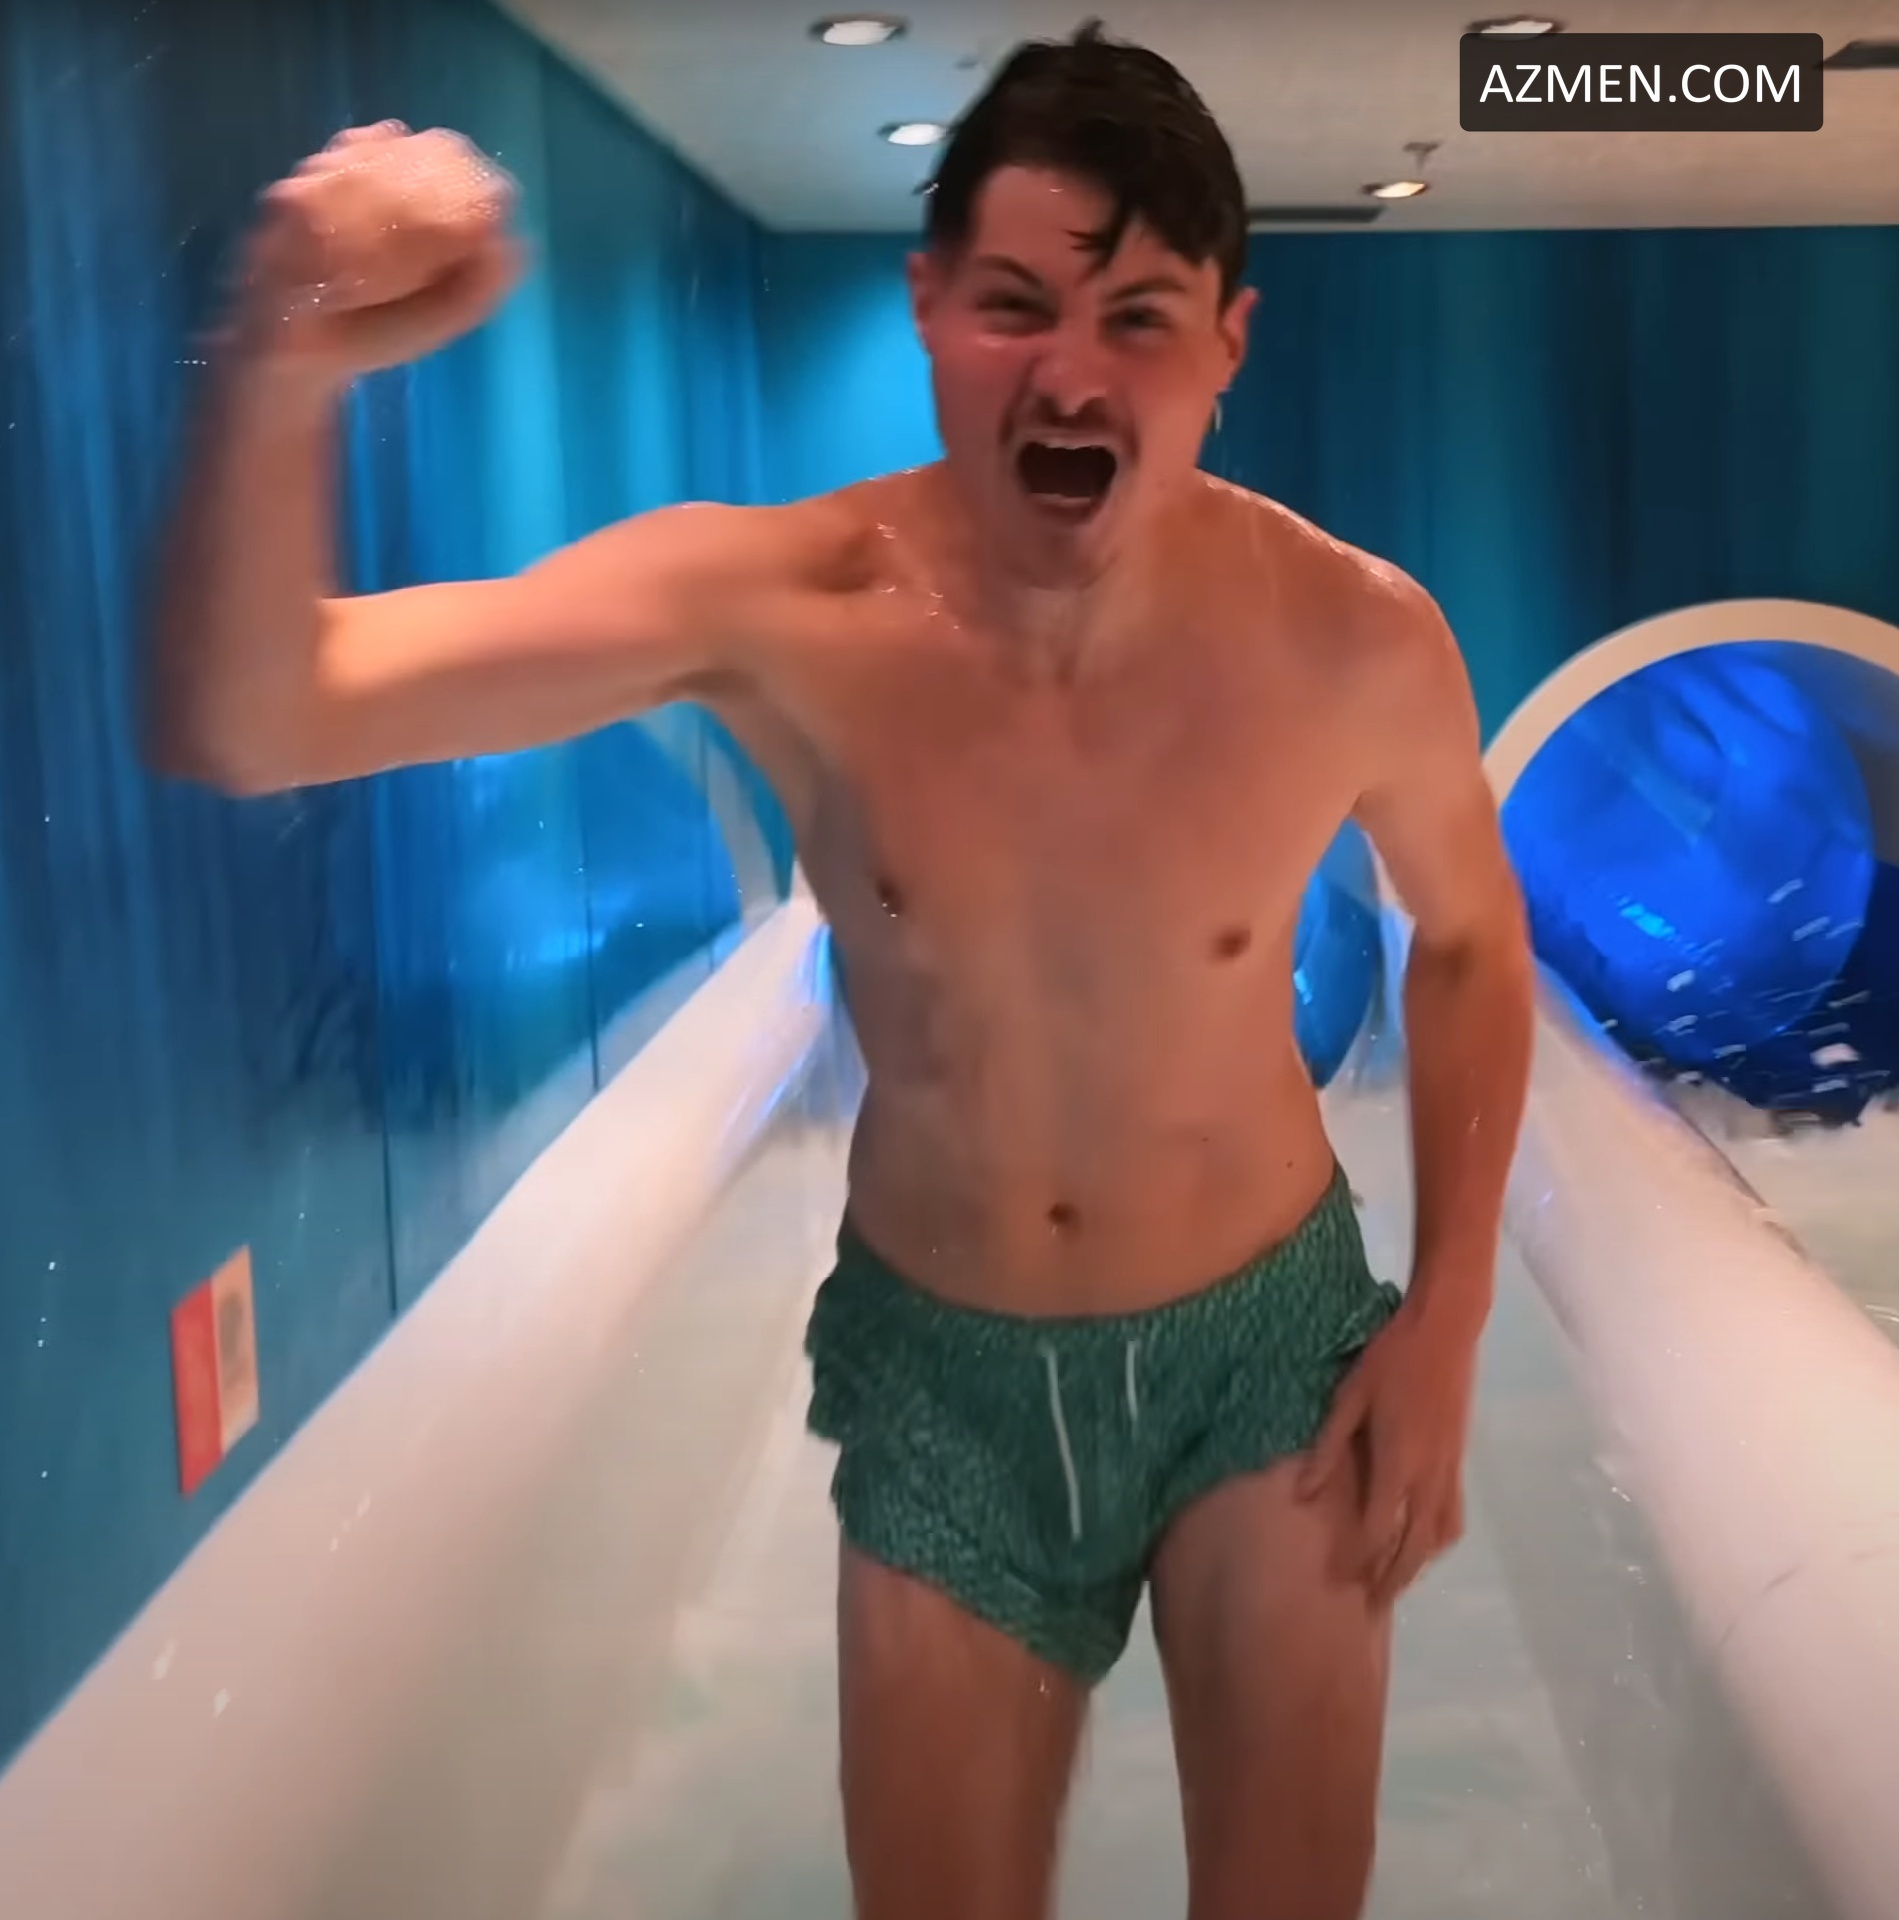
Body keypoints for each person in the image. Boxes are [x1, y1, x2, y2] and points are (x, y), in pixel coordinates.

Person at [150, 24, 1534, 1920]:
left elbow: (1470, 938)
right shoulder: (786, 612)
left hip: (1266, 1354)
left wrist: (1446, 1316)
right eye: (1015, 303)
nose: (1070, 373)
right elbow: (256, 714)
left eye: (1140, 317)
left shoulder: (1353, 640)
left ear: (1229, 342)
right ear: (928, 305)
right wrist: (287, 350)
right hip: (945, 1373)